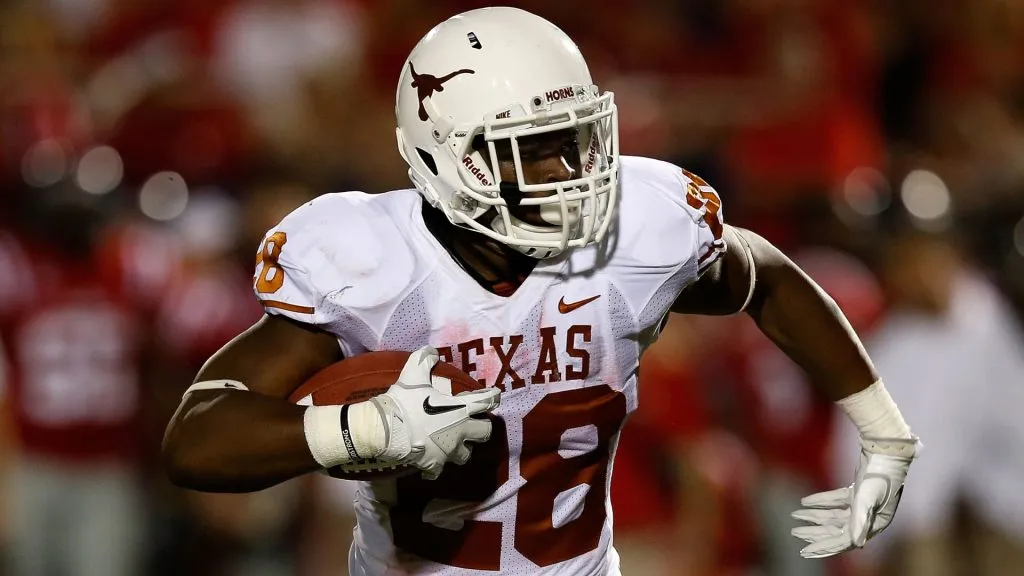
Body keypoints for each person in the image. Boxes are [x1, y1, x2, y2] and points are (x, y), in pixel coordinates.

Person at [163, 7, 920, 575]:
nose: (576, 172)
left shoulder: (632, 234)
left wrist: (884, 432)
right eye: (538, 151)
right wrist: (362, 433)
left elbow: (766, 277)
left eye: (578, 140)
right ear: (454, 158)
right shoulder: (379, 267)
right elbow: (198, 434)